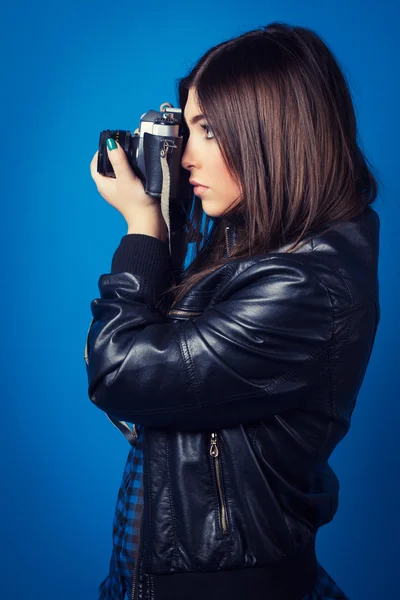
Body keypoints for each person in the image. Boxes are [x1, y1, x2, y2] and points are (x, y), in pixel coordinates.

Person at [86, 21, 380, 600]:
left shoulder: (305, 286)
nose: (187, 157)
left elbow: (120, 371)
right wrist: (168, 223)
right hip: (158, 574)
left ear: (271, 135)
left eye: (209, 131)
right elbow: (178, 360)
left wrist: (143, 231)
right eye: (185, 132)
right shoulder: (261, 245)